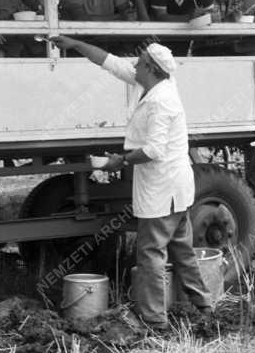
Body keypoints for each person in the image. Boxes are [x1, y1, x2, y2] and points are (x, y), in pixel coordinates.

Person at [50, 35, 213, 332]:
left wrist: (119, 161)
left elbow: (153, 150)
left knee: (150, 254)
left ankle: (155, 321)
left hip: (163, 188)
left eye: (139, 60)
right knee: (182, 250)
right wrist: (75, 44)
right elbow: (109, 62)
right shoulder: (150, 83)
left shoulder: (162, 102)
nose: (134, 63)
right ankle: (203, 305)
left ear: (150, 66)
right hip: (174, 188)